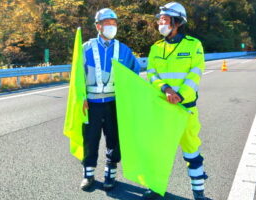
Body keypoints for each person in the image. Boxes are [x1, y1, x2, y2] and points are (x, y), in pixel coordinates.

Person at [144, 2, 208, 200]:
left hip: (186, 109)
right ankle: (155, 187)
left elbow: (196, 73)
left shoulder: (193, 45)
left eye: (164, 19)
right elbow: (151, 73)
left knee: (191, 152)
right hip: (163, 108)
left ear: (177, 22)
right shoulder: (156, 47)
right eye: (160, 19)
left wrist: (180, 95)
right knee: (160, 151)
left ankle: (199, 193)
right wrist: (166, 89)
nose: (160, 23)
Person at [80, 8, 140, 191]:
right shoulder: (86, 48)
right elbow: (76, 76)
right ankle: (88, 175)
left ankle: (110, 176)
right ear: (98, 26)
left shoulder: (123, 49)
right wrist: (81, 97)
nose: (111, 27)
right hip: (91, 104)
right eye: (107, 24)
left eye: (114, 24)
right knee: (90, 140)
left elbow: (134, 74)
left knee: (114, 140)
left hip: (114, 104)